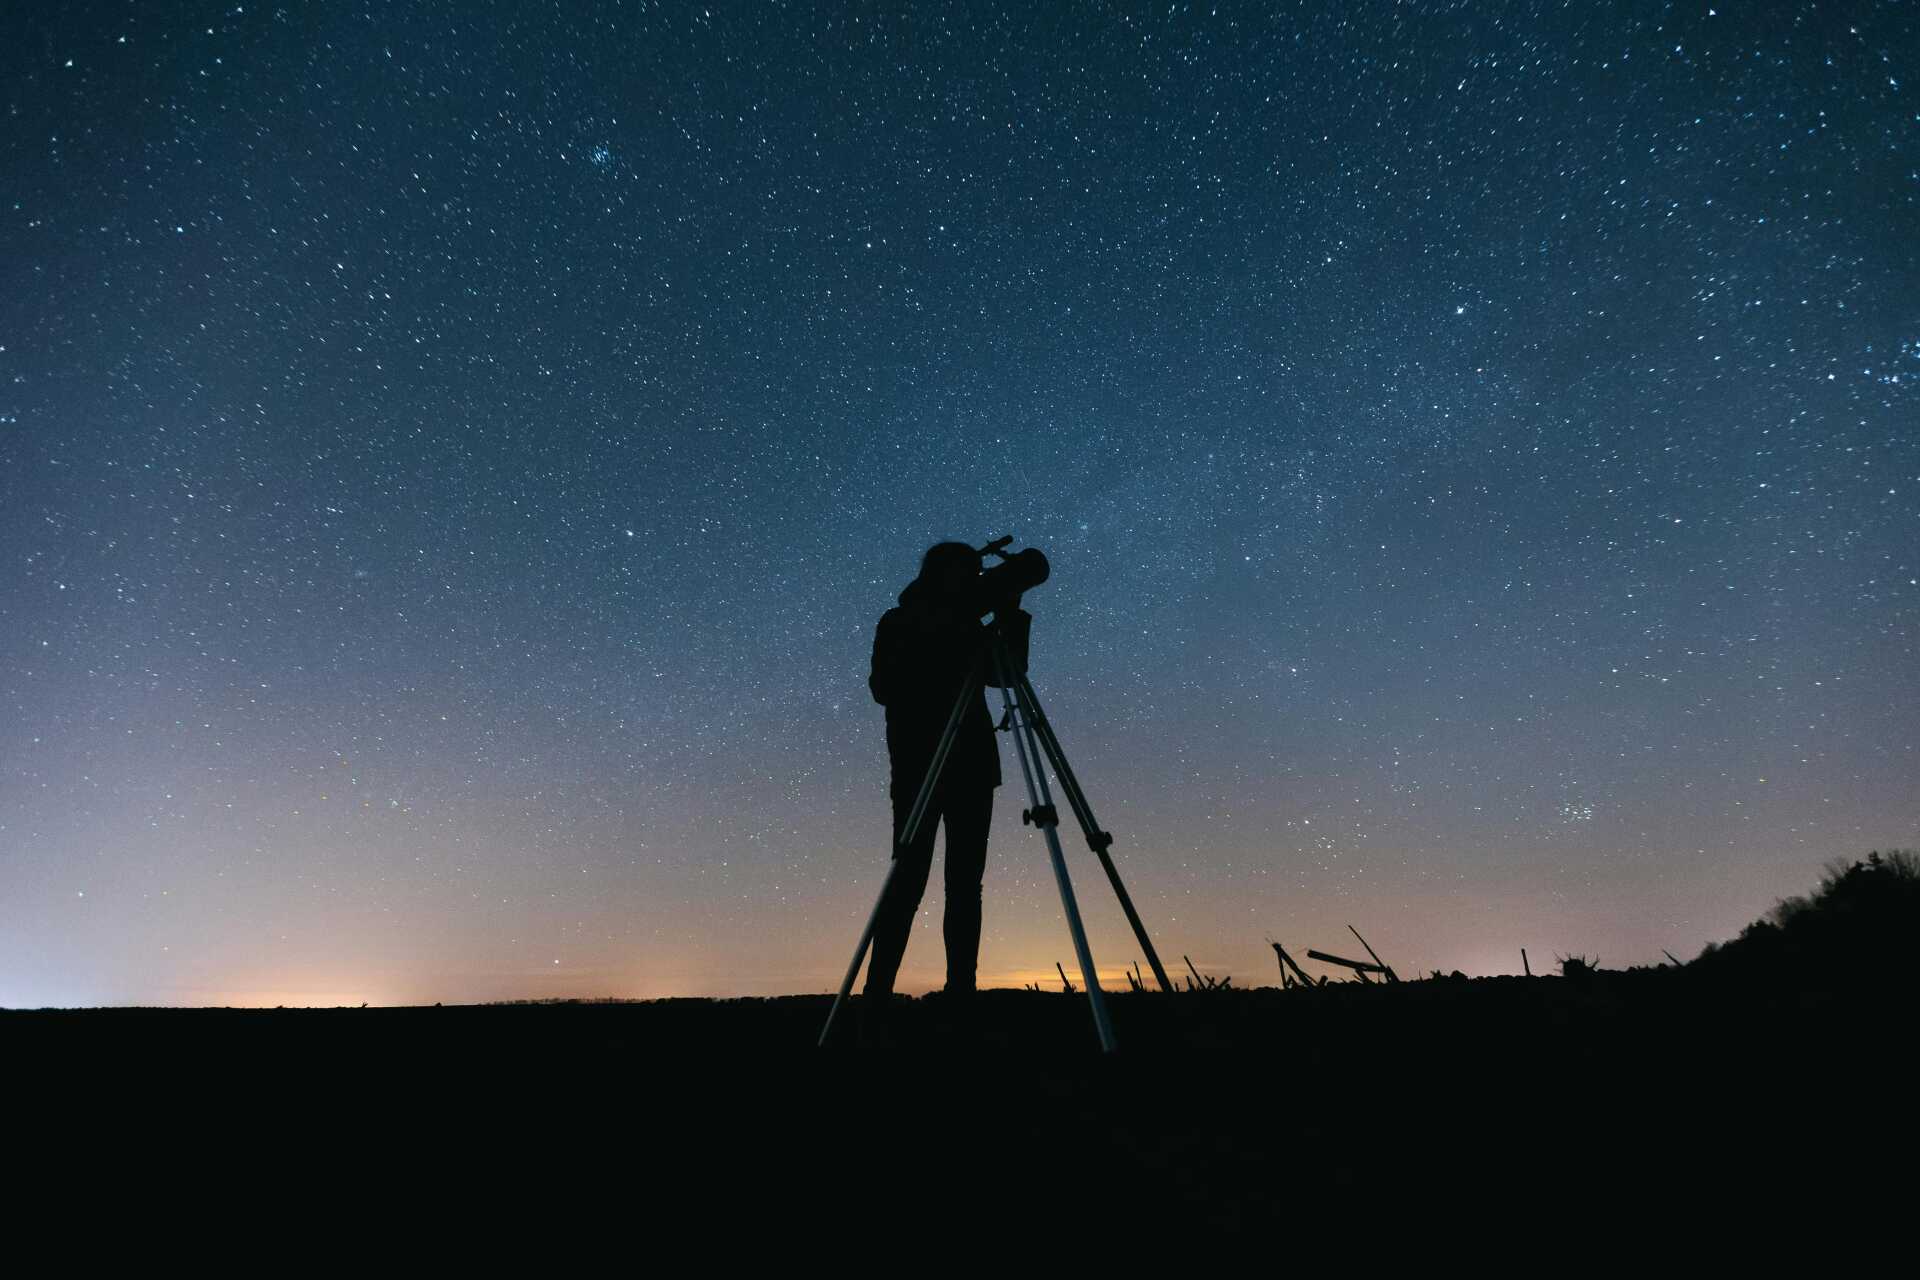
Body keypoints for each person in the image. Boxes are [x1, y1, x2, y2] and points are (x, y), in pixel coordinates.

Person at [864, 541, 1030, 1008]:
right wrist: (945, 640)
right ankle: (877, 992)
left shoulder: (973, 626)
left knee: (965, 884)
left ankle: (962, 989)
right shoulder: (899, 622)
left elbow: (1009, 674)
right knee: (908, 878)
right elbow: (884, 688)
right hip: (920, 765)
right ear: (939, 575)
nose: (974, 581)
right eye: (968, 573)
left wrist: (1010, 614)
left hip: (973, 768)